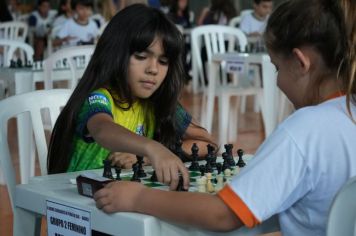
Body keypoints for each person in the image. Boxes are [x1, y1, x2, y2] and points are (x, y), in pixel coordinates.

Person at [93, 0, 356, 235]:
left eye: (276, 68)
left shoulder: (305, 130)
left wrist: (138, 198)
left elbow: (223, 214)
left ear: (300, 63)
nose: (277, 81)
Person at [47, 4, 216, 190]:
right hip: (80, 205)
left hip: (122, 201)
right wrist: (152, 148)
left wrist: (152, 156)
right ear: (116, 54)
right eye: (141, 56)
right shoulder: (100, 98)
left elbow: (209, 145)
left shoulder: (156, 102)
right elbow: (102, 129)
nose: (153, 69)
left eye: (163, 61)